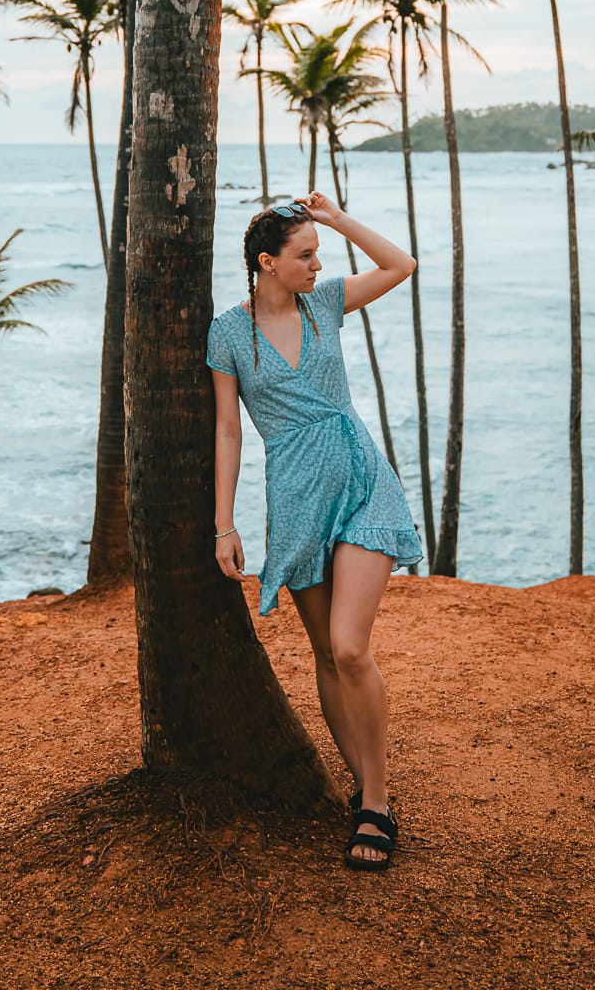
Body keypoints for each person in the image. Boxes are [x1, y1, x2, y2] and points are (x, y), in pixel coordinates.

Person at [206, 191, 423, 871]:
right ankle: (364, 781)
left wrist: (333, 219)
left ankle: (378, 801)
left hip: (360, 479)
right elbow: (228, 430)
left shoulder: (325, 303)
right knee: (326, 658)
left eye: (318, 254)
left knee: (350, 648)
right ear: (267, 263)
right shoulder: (228, 334)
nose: (316, 264)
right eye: (304, 255)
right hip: (296, 496)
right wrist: (224, 525)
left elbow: (401, 265)